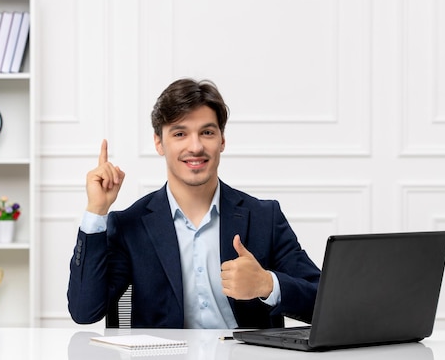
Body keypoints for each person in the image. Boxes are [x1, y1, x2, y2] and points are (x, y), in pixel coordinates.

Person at [68, 78, 321, 329]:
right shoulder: (129, 225)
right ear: (159, 143)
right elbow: (85, 311)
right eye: (180, 134)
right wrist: (97, 211)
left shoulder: (264, 217)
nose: (196, 146)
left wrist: (268, 284)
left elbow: (322, 300)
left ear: (222, 140)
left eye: (207, 133)